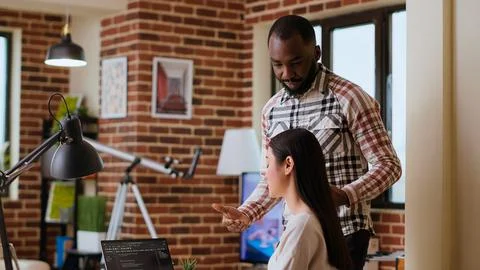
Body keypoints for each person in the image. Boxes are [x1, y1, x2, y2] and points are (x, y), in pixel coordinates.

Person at [212, 14, 401, 269]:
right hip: (295, 231)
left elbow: (389, 166)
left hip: (344, 232)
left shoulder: (351, 99)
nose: (287, 73)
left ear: (317, 52)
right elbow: (273, 176)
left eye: (296, 62)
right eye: (277, 64)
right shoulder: (271, 110)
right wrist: (246, 213)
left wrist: (345, 195)